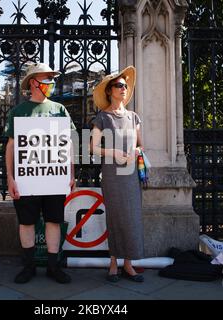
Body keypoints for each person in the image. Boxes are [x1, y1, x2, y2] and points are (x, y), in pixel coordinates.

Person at [4, 62, 76, 284]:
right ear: (34, 82)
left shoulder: (59, 109)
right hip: (27, 179)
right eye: (46, 79)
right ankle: (29, 266)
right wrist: (10, 177)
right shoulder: (18, 111)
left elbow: (68, 144)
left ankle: (53, 267)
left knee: (54, 220)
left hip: (54, 178)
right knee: (27, 222)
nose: (51, 83)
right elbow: (11, 146)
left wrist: (71, 173)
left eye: (51, 79)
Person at [91, 66, 145, 282]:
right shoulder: (102, 117)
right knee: (115, 218)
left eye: (125, 85)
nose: (124, 89)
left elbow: (142, 146)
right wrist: (112, 152)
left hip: (131, 174)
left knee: (132, 218)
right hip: (112, 175)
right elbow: (92, 148)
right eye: (119, 85)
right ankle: (113, 262)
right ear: (109, 90)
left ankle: (129, 265)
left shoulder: (134, 117)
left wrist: (136, 152)